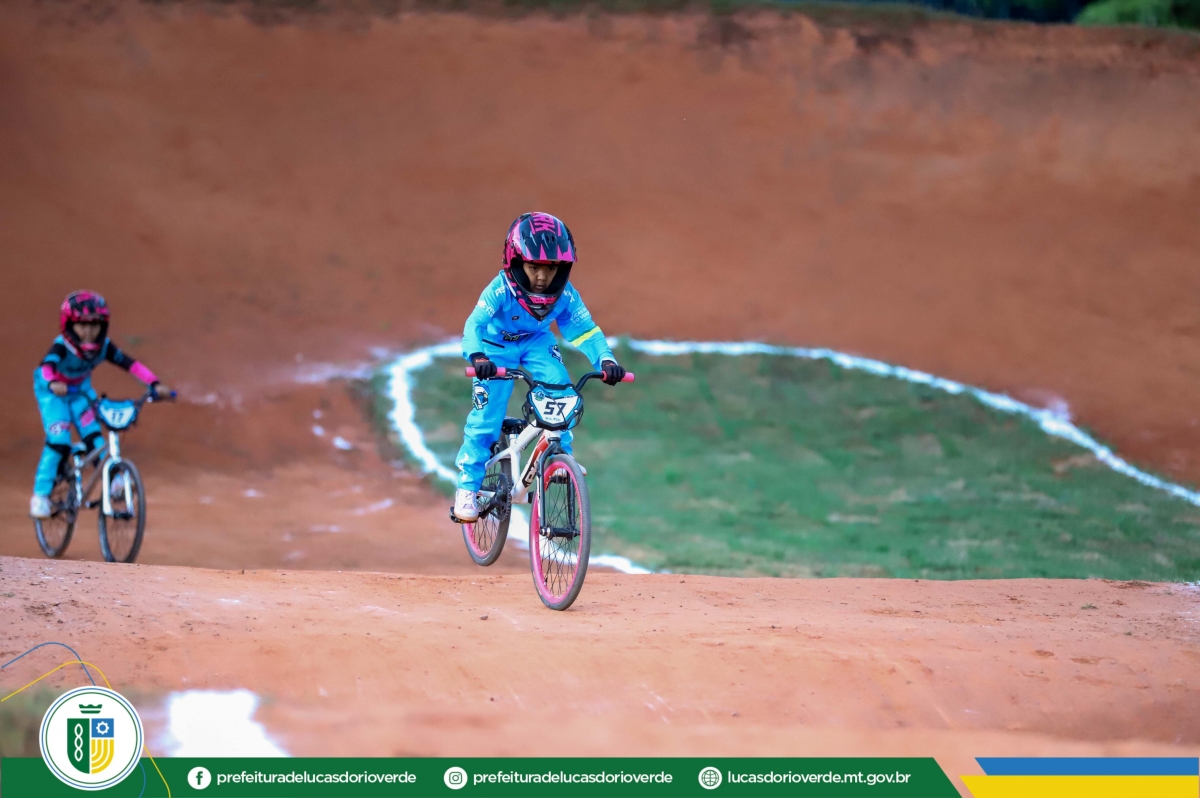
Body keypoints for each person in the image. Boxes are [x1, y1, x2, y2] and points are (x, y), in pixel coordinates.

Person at [453, 212, 626, 522]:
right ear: (516, 262)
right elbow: (474, 324)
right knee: (486, 418)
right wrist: (477, 357)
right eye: (534, 267)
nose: (543, 277)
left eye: (551, 268)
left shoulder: (565, 295)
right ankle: (467, 487)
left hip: (536, 342)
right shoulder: (500, 289)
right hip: (494, 348)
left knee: (561, 388)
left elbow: (586, 331)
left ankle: (560, 456)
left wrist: (606, 360)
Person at [29, 291, 172, 518]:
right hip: (53, 394)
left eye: (94, 325)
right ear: (69, 326)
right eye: (82, 325)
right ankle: (41, 495)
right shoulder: (62, 346)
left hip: (81, 393)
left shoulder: (104, 347)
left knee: (94, 437)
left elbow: (130, 364)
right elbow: (46, 367)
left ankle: (115, 481)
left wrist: (154, 383)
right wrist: (53, 382)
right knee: (58, 440)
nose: (88, 331)